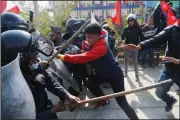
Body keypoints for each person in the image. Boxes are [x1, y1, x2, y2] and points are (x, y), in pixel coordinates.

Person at [56, 23, 139, 120]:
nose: (87, 40)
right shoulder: (91, 42)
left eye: (90, 37)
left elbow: (83, 57)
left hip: (115, 75)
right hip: (102, 74)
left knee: (122, 103)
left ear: (99, 36)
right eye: (86, 37)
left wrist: (62, 57)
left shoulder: (101, 47)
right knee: (89, 82)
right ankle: (103, 99)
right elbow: (82, 45)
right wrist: (58, 49)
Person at [1, 30, 81, 119]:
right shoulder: (8, 89)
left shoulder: (31, 66)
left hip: (45, 109)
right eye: (35, 54)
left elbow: (50, 80)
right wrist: (51, 111)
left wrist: (67, 95)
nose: (38, 57)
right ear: (22, 58)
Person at [124, 6, 180, 112]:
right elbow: (155, 39)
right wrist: (140, 46)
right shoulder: (171, 30)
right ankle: (170, 100)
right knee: (159, 92)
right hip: (170, 69)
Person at [121, 14, 143, 81]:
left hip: (135, 48)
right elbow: (122, 37)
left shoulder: (138, 29)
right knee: (126, 61)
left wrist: (140, 44)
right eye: (130, 21)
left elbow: (142, 37)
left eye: (132, 21)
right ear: (128, 22)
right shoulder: (125, 29)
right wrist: (122, 41)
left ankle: (136, 75)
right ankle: (125, 72)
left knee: (135, 62)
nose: (131, 22)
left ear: (134, 21)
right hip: (127, 48)